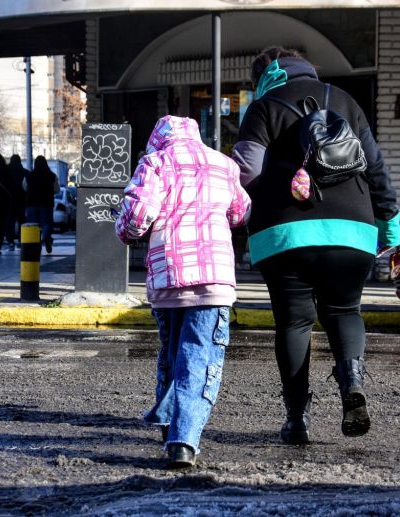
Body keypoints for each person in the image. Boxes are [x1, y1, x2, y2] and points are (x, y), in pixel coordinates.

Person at [232, 47, 400, 444]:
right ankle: (351, 382)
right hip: (353, 230)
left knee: (294, 322)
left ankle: (297, 419)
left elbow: (247, 172)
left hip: (285, 234)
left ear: (263, 77)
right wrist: (389, 226)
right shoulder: (343, 100)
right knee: (345, 310)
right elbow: (375, 166)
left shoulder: (263, 107)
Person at [116, 115, 251, 468]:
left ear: (158, 138)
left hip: (168, 277)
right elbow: (241, 212)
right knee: (198, 357)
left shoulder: (155, 162)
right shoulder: (224, 164)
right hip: (213, 278)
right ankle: (183, 440)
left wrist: (125, 232)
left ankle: (169, 425)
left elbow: (136, 217)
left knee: (174, 353)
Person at [24, 156, 59, 254]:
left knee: (34, 225)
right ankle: (45, 237)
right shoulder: (52, 176)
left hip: (32, 204)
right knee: (47, 223)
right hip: (46, 203)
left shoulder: (29, 176)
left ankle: (37, 242)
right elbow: (56, 189)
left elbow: (24, 187)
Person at [6, 155, 29, 250]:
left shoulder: (5, 172)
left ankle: (10, 241)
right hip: (22, 200)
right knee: (22, 221)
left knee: (10, 222)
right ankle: (21, 240)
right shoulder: (25, 172)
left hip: (9, 200)